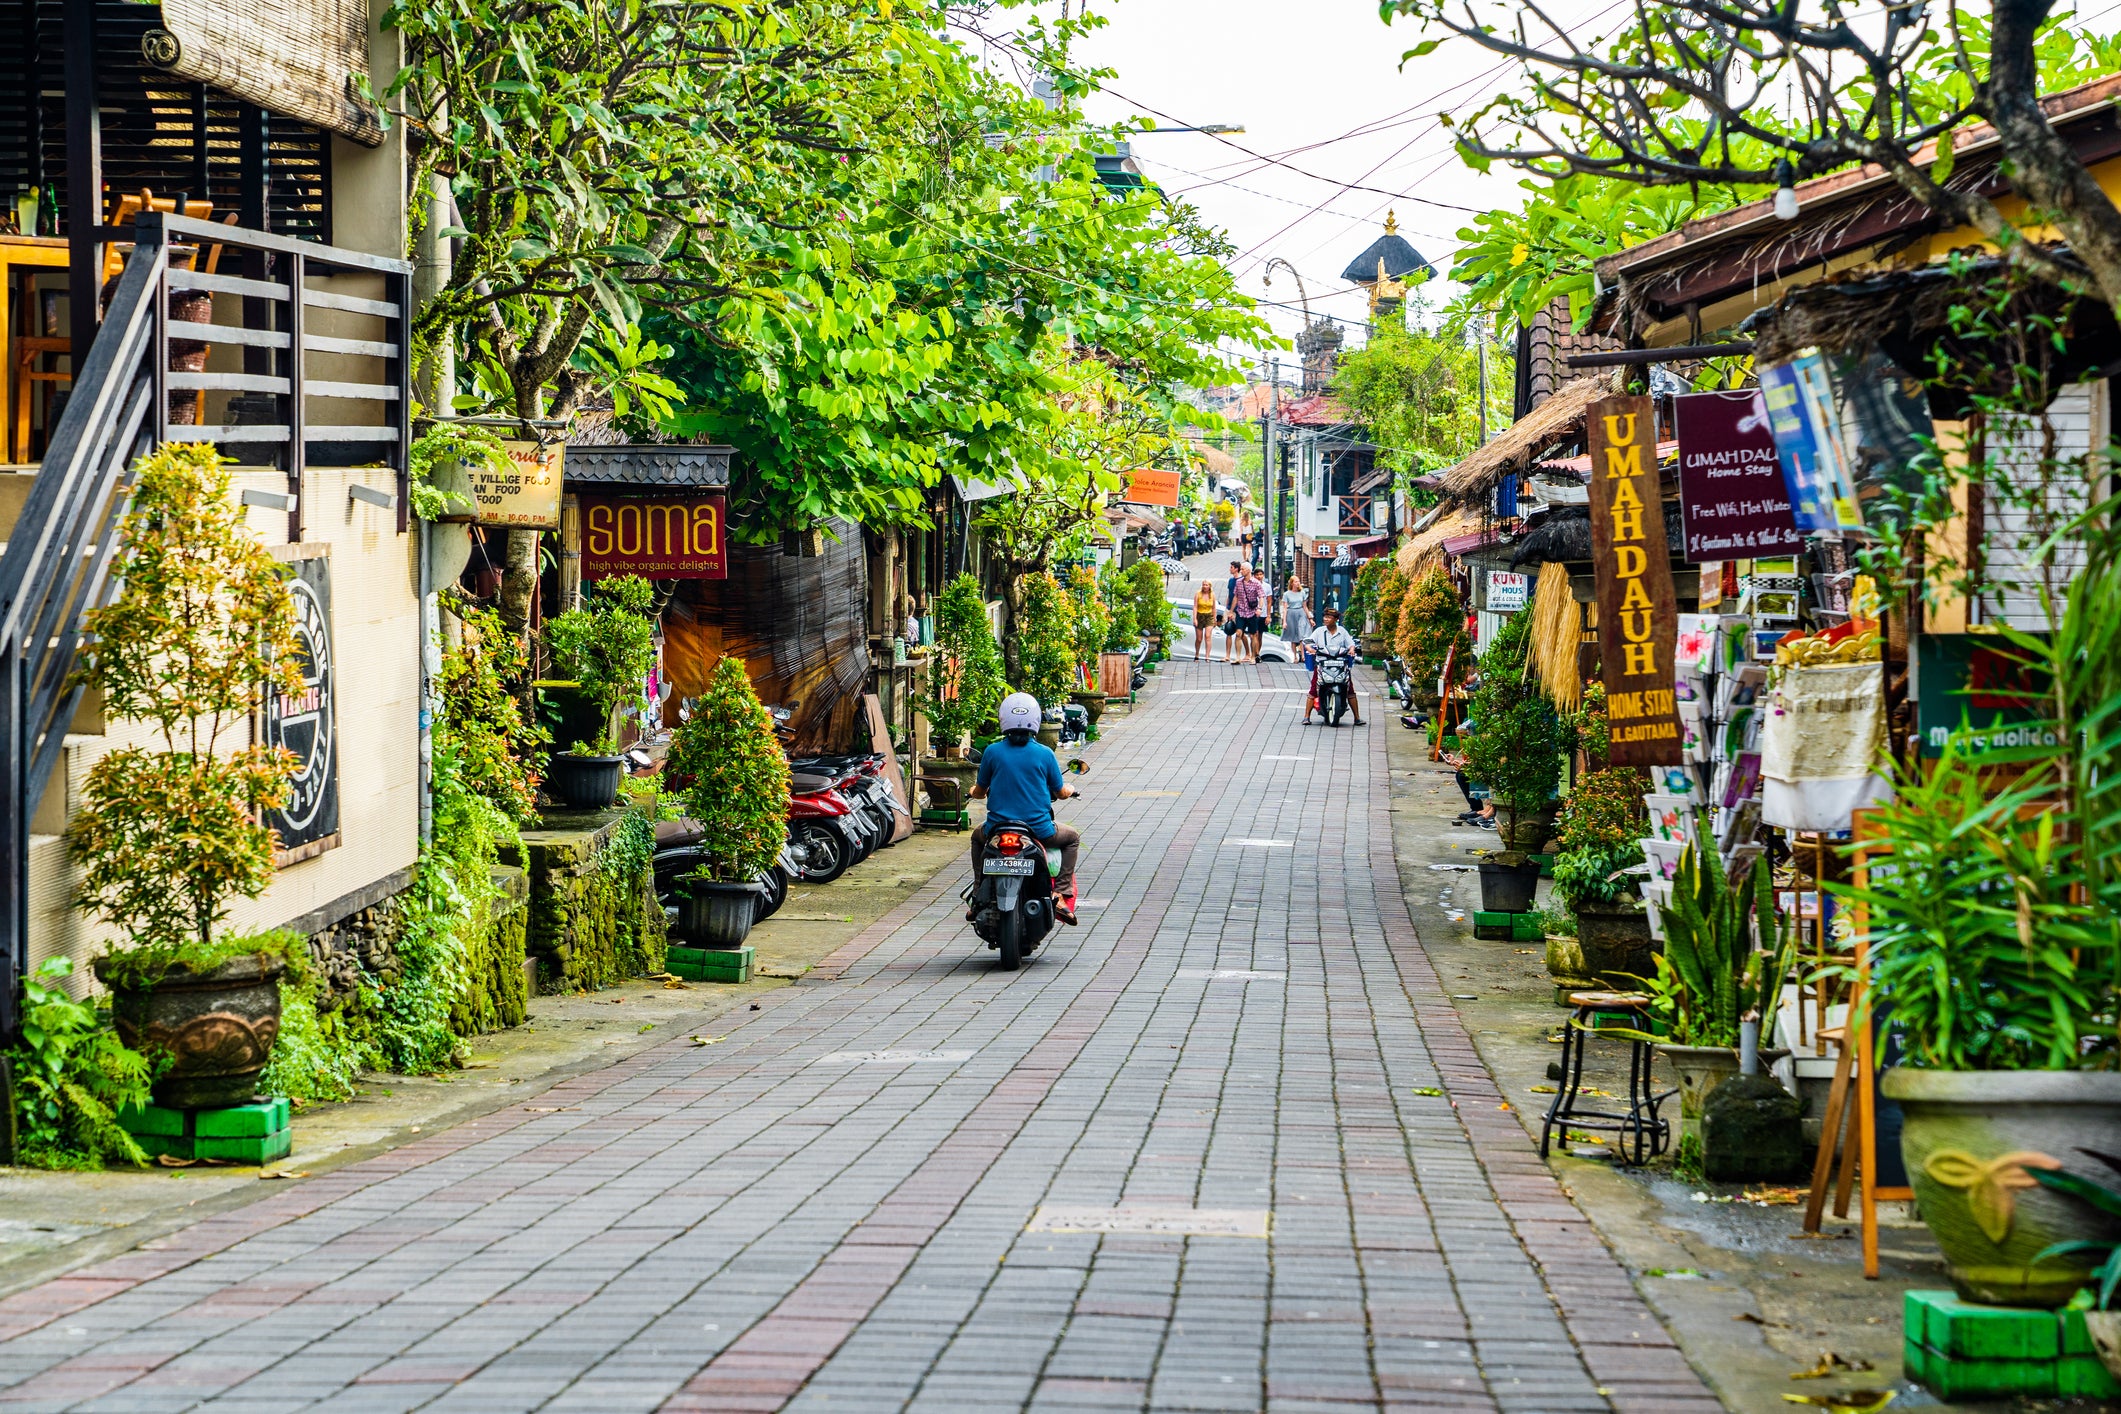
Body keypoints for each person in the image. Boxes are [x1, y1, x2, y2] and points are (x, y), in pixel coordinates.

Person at [968, 692, 1082, 923]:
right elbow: (1060, 793)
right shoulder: (1045, 754)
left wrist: (973, 791)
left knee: (977, 838)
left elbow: (979, 791)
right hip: (1039, 831)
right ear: (1036, 721)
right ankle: (1060, 894)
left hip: (997, 830)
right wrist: (1069, 790)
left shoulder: (992, 752)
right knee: (1072, 838)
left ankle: (977, 893)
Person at [1304, 606, 1364, 724]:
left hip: (1341, 664)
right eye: (1325, 617)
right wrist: (1310, 649)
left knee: (1350, 689)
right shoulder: (1319, 631)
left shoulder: (1342, 631)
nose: (1326, 619)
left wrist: (1351, 650)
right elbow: (1308, 642)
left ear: (1336, 619)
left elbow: (1350, 644)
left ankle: (1357, 718)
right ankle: (1306, 716)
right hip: (1322, 663)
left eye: (1329, 617)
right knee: (1314, 689)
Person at [1230, 565, 1268, 664]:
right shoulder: (1239, 582)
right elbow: (1236, 597)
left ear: (1248, 570)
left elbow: (1261, 597)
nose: (1241, 571)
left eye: (1242, 569)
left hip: (1252, 612)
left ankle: (1253, 657)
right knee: (1238, 633)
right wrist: (1231, 611)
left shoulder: (1256, 583)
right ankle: (1238, 657)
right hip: (1241, 611)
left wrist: (1259, 609)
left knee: (1253, 635)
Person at [1222, 559, 1244, 664]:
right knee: (1228, 631)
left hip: (1238, 610)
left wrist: (1233, 610)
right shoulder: (1231, 581)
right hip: (1229, 608)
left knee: (1238, 633)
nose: (1230, 569)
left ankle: (1238, 656)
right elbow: (1229, 594)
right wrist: (1227, 607)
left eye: (1231, 567)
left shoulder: (1241, 580)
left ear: (1236, 569)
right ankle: (1227, 655)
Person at [1192, 578, 1218, 660]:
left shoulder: (1212, 595)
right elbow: (1195, 606)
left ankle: (1207, 656)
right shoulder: (1198, 594)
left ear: (1210, 586)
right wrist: (1195, 618)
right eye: (1203, 584)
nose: (1205, 586)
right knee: (1199, 638)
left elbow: (1214, 608)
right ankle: (1197, 654)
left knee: (1207, 636)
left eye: (1206, 585)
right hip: (1200, 615)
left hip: (1209, 616)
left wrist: (1214, 619)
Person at [1280, 575, 1311, 645]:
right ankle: (1294, 655)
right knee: (1293, 637)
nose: (1298, 583)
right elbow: (1285, 609)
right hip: (1291, 614)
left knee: (1302, 634)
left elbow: (1305, 606)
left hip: (1301, 613)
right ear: (1292, 583)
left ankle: (1303, 655)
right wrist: (1284, 622)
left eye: (1299, 581)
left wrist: (1310, 618)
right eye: (1296, 582)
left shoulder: (1302, 593)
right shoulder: (1286, 594)